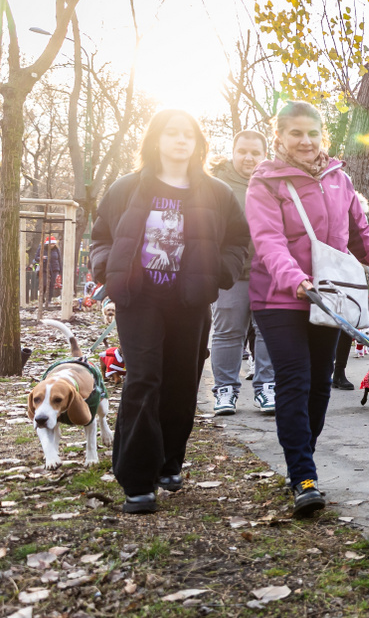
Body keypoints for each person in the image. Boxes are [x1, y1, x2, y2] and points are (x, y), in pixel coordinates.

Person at [246, 100, 369, 517]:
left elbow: (362, 239)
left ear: (324, 136)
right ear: (279, 136)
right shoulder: (264, 183)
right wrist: (294, 279)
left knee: (320, 383)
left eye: (312, 133)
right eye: (296, 133)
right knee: (295, 380)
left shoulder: (340, 180)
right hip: (280, 297)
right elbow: (268, 241)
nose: (305, 141)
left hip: (331, 295)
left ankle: (303, 459)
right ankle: (303, 475)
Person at [90, 109, 250, 514]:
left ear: (197, 143)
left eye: (188, 135)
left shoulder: (215, 192)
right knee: (144, 380)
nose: (180, 140)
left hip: (190, 300)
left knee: (181, 383)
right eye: (171, 133)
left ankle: (168, 462)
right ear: (156, 140)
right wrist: (108, 272)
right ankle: (138, 480)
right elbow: (101, 236)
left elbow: (237, 242)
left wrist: (218, 274)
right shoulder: (126, 187)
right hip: (138, 299)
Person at [208, 130, 275, 416]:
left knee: (268, 332)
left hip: (269, 271)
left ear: (264, 155)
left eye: (255, 152)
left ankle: (267, 387)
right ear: (233, 153)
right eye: (243, 151)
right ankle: (225, 390)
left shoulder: (275, 183)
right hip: (231, 273)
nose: (248, 158)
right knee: (228, 332)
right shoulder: (216, 185)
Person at [332, 194, 369, 390]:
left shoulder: (359, 223)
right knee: (325, 325)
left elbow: (366, 251)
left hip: (351, 280)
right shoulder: (328, 219)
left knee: (348, 327)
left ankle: (339, 372)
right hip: (325, 278)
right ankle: (322, 369)